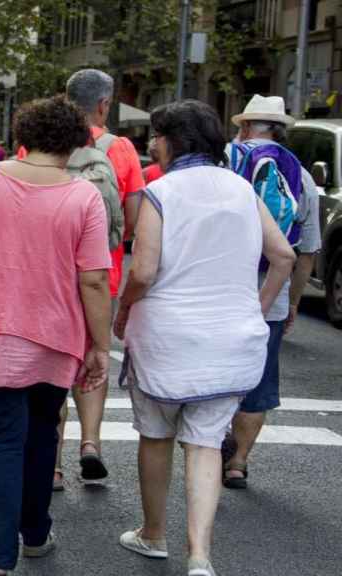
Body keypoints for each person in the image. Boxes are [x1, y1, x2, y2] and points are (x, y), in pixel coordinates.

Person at [114, 100, 296, 576]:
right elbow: (284, 257)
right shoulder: (241, 190)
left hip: (166, 339)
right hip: (232, 341)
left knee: (156, 437)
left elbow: (145, 270)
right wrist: (255, 309)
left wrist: (123, 309)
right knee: (205, 443)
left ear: (173, 141)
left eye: (156, 136)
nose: (152, 144)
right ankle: (200, 557)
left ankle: (153, 534)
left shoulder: (161, 192)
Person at [0, 96, 112, 576]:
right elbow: (94, 279)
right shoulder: (83, 196)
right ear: (74, 144)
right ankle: (34, 533)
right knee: (41, 433)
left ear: (24, 134)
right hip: (55, 335)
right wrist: (100, 346)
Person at [222, 94, 321, 490]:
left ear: (245, 127)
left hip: (221, 290)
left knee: (216, 375)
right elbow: (307, 252)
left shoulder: (224, 164)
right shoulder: (303, 177)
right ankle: (239, 463)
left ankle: (209, 447)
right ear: (280, 131)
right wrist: (293, 300)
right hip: (271, 294)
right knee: (259, 381)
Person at [55, 68, 146, 485]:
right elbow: (132, 218)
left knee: (54, 362)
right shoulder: (121, 149)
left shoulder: (41, 141)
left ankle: (50, 463)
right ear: (104, 104)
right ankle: (90, 443)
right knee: (94, 358)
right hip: (100, 275)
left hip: (50, 276)